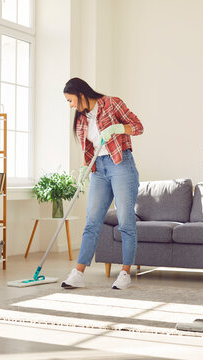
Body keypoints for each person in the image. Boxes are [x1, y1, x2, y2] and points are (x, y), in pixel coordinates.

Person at [61, 77, 143, 290]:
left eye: (70, 101)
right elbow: (89, 148)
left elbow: (138, 126)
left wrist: (116, 128)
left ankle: (125, 273)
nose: (71, 106)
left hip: (121, 164)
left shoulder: (112, 103)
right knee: (92, 221)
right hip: (99, 168)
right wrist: (84, 168)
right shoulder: (80, 119)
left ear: (80, 94)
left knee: (125, 222)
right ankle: (78, 273)